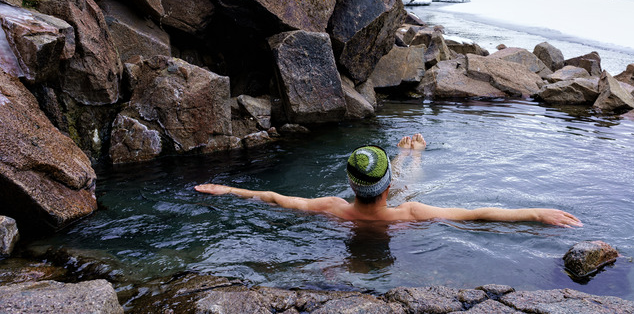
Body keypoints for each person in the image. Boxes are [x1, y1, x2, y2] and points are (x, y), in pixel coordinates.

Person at [194, 134, 582, 227]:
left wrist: (228, 189)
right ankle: (410, 153)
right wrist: (532, 213)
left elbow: (274, 197)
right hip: (391, 208)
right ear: (386, 189)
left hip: (367, 202)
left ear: (349, 185)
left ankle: (404, 154)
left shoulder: (332, 207)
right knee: (413, 184)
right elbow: (477, 214)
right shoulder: (408, 212)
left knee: (404, 184)